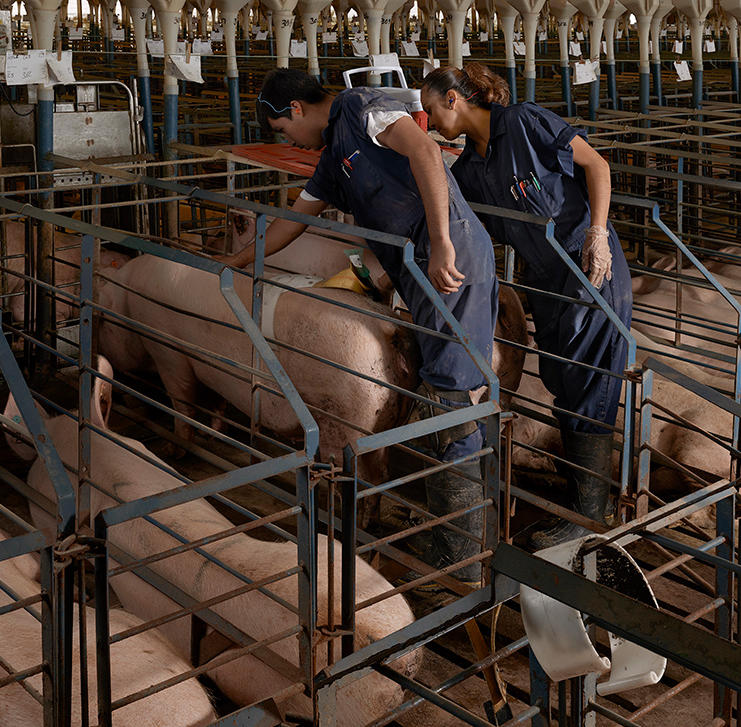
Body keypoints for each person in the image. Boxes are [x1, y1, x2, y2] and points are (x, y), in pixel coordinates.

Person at [226, 68, 499, 584]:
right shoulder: (330, 161)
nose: (287, 139)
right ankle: (461, 532)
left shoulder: (358, 105)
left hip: (447, 253)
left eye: (282, 130)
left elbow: (424, 152)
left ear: (297, 110)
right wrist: (240, 262)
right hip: (417, 264)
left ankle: (461, 558)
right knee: (443, 381)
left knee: (451, 390)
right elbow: (294, 220)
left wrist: (441, 241)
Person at [419, 62, 633, 550]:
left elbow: (595, 165)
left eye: (431, 110)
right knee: (562, 381)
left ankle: (590, 515)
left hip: (588, 267)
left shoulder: (522, 121)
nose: (429, 123)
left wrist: (599, 233)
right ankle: (585, 501)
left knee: (590, 385)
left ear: (455, 99)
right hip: (545, 280)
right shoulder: (469, 169)